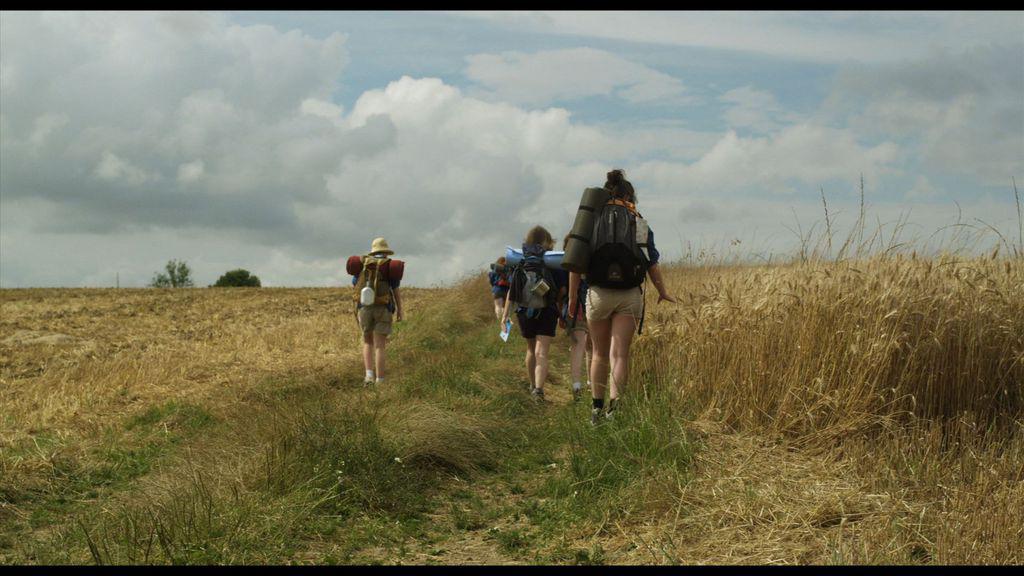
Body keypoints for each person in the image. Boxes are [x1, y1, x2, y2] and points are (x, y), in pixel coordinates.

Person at [566, 169, 678, 424]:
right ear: (629, 197)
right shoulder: (638, 221)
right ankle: (614, 410)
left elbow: (575, 263)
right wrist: (662, 291)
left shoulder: (590, 220)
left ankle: (596, 409)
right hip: (629, 295)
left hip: (598, 294)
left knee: (599, 353)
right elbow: (651, 262)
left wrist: (572, 299)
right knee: (620, 355)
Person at [501, 225, 567, 402]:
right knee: (542, 352)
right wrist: (560, 308)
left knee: (531, 350)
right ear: (549, 242)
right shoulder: (553, 262)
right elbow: (562, 290)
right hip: (548, 311)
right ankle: (539, 389)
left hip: (524, 312)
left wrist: (505, 315)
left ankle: (532, 386)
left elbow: (512, 291)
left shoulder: (520, 262)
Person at [352, 237, 404, 385]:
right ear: (386, 252)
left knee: (367, 342)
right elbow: (395, 291)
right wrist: (400, 310)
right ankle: (380, 381)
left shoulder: (363, 265)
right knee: (380, 345)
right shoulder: (388, 266)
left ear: (373, 251)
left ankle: (368, 376)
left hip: (364, 308)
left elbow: (356, 286)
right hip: (383, 308)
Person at [561, 233, 591, 402]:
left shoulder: (562, 265)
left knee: (578, 346)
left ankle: (576, 386)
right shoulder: (589, 258)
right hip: (593, 304)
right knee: (591, 348)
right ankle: (592, 383)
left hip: (574, 309)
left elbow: (561, 292)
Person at [488, 256, 511, 321]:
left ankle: (499, 321)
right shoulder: (507, 269)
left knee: (498, 306)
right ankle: (505, 321)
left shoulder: (494, 270)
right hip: (507, 291)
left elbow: (491, 281)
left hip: (497, 290)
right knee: (505, 307)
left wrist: (494, 286)